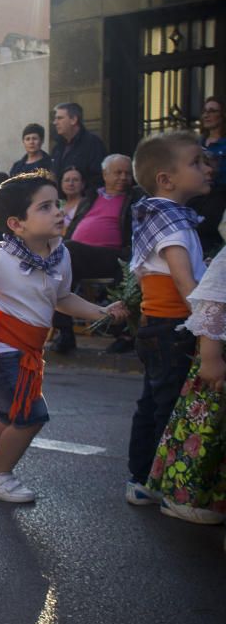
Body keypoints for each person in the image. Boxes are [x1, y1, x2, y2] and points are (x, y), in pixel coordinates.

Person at [0, 172, 126, 502]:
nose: (58, 211)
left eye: (58, 204)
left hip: (29, 351)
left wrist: (102, 312)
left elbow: (62, 298)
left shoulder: (60, 255)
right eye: (46, 206)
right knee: (31, 417)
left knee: (10, 421)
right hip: (0, 350)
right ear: (17, 224)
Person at [124, 130, 212, 506]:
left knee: (152, 402)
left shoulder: (161, 216)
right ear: (166, 178)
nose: (208, 168)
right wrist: (211, 323)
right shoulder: (171, 223)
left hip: (156, 329)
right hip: (171, 329)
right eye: (197, 162)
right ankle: (160, 481)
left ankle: (141, 476)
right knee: (169, 407)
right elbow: (184, 281)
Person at [146, 246, 226, 525]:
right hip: (218, 364)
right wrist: (211, 356)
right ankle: (186, 498)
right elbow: (215, 298)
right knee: (206, 432)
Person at [51, 154, 145, 353]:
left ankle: (123, 334)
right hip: (81, 255)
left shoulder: (134, 198)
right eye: (118, 172)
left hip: (115, 255)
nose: (123, 177)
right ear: (105, 174)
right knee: (54, 263)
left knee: (67, 250)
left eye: (128, 173)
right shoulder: (92, 196)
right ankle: (64, 332)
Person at [50, 102, 106, 192]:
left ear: (73, 120)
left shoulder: (92, 143)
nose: (55, 122)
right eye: (55, 119)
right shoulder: (57, 148)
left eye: (59, 118)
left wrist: (84, 201)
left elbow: (98, 178)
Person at [194, 95, 226, 252]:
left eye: (212, 111)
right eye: (204, 111)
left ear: (222, 114)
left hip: (220, 195)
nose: (206, 115)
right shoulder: (197, 142)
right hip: (198, 195)